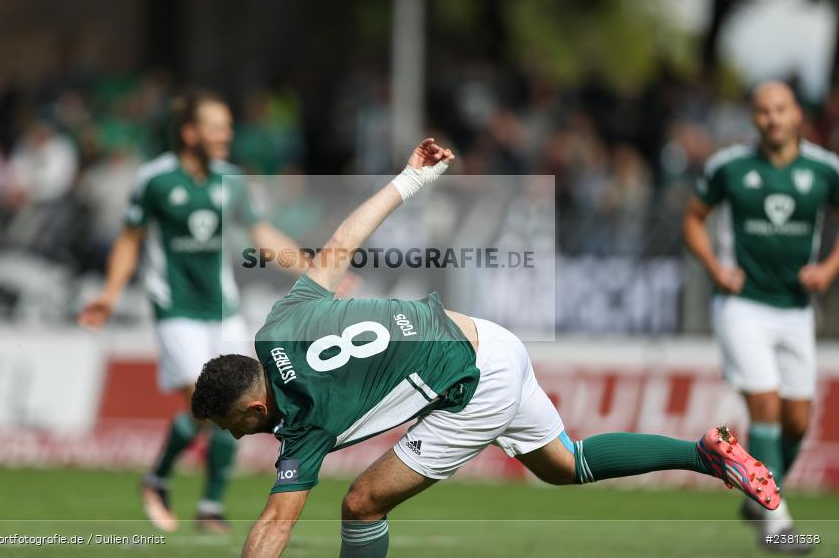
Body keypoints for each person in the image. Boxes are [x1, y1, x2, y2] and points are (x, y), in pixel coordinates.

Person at [191, 138, 780, 558]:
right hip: (488, 337)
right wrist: (410, 181)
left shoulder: (302, 423)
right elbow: (340, 246)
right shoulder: (279, 324)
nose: (233, 436)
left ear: (252, 408)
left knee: (362, 504)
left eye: (229, 427)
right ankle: (704, 454)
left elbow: (274, 522)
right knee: (564, 464)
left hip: (470, 383)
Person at [78, 91, 307, 533]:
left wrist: (317, 270)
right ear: (189, 132)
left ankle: (205, 504)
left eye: (228, 126)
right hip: (175, 307)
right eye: (217, 127)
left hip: (224, 309)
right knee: (198, 401)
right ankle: (162, 479)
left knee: (239, 401)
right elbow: (129, 240)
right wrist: (109, 293)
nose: (228, 135)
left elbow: (264, 237)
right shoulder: (156, 180)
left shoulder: (231, 180)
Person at [684, 80, 839, 552]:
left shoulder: (825, 169)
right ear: (754, 118)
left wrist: (829, 268)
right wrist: (716, 269)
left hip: (794, 308)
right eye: (763, 111)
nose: (772, 118)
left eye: (780, 109)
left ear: (796, 115)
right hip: (742, 305)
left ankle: (757, 493)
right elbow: (693, 218)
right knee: (765, 407)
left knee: (798, 421)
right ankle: (778, 523)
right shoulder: (729, 167)